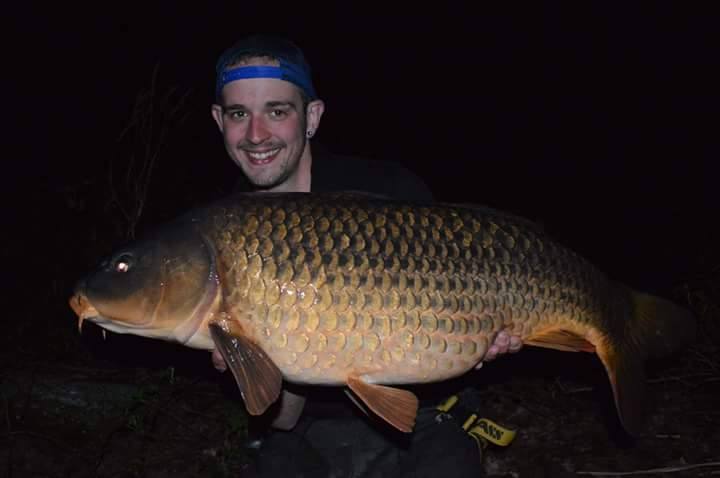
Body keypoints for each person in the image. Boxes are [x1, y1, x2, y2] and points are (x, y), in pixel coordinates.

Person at [210, 34, 523, 477]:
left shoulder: (386, 190)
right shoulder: (226, 233)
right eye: (239, 114)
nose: (256, 135)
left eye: (277, 111)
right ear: (219, 120)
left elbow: (465, 296)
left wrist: (481, 330)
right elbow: (282, 417)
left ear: (311, 117)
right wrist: (265, 360)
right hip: (310, 430)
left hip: (427, 416)